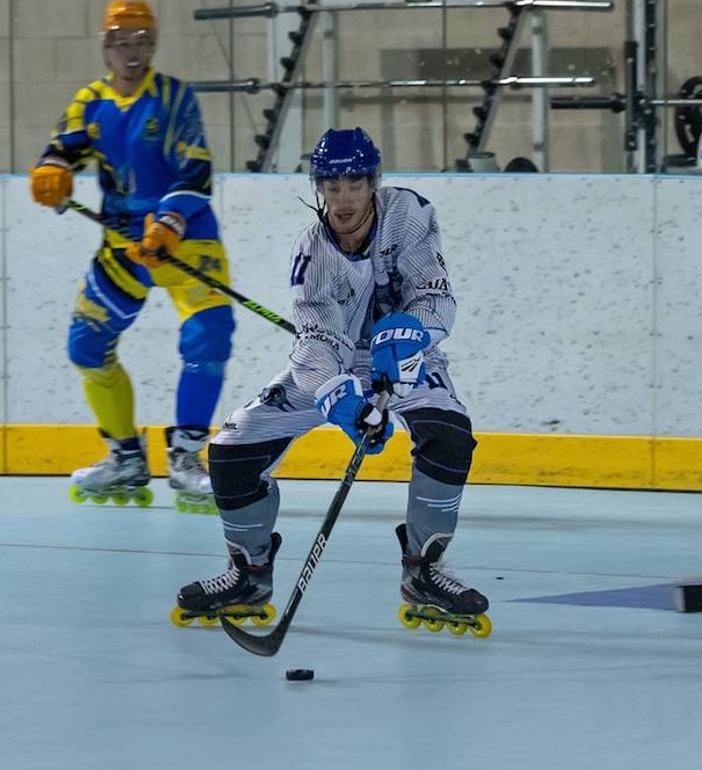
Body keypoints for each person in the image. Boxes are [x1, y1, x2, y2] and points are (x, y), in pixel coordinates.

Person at [172, 127, 489, 634]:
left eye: (354, 185)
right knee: (230, 449)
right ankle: (248, 573)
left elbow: (435, 295)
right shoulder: (312, 250)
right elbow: (316, 340)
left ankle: (424, 570)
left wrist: (411, 332)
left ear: (374, 182)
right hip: (336, 364)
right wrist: (338, 398)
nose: (342, 200)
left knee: (450, 433)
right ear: (318, 187)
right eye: (331, 186)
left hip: (408, 353)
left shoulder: (409, 213)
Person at [31, 1, 233, 512]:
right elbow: (64, 147)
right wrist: (51, 171)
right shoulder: (90, 101)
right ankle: (125, 456)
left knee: (209, 336)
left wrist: (168, 222)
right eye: (122, 39)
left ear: (153, 44)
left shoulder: (174, 98)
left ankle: (186, 456)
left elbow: (196, 172)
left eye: (142, 39)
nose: (132, 50)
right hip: (123, 241)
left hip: (184, 233)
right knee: (86, 347)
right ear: (106, 45)